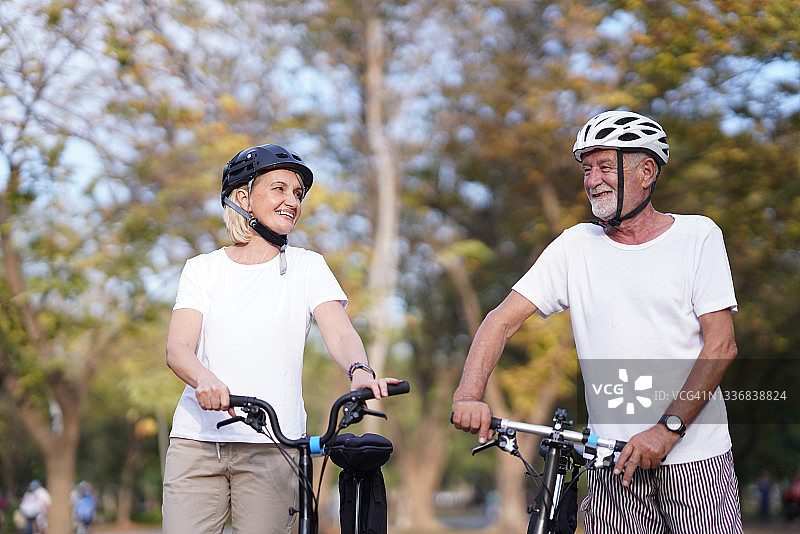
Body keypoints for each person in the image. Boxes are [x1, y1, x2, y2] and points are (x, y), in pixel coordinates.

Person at [451, 110, 742, 533]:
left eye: (605, 167)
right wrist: (468, 395)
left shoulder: (698, 237)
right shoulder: (575, 246)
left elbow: (721, 345)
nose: (592, 180)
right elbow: (501, 322)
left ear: (646, 171)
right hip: (610, 464)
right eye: (587, 169)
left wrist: (665, 432)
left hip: (697, 463)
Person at [163, 143, 399, 534]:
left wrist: (359, 371)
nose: (292, 200)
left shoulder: (308, 267)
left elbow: (339, 331)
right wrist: (204, 379)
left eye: (298, 193)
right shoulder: (202, 270)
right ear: (243, 197)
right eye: (279, 189)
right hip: (197, 442)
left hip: (274, 446)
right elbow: (178, 348)